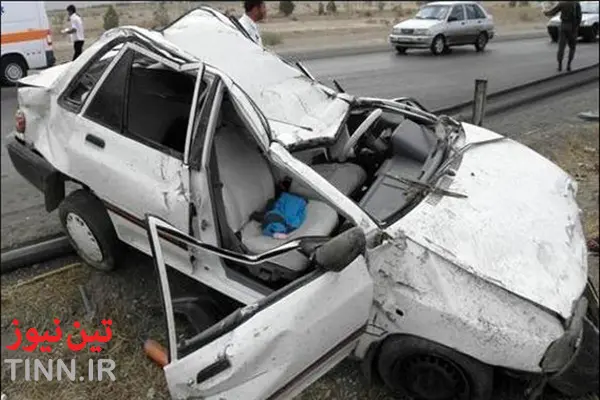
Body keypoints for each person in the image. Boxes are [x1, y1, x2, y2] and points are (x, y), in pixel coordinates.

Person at [544, 1, 582, 72]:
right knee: (572, 47)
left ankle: (559, 66)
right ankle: (568, 65)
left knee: (561, 47)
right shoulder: (576, 3)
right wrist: (576, 27)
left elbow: (552, 12)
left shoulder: (562, 3)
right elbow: (579, 17)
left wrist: (545, 12)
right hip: (573, 27)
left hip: (563, 26)